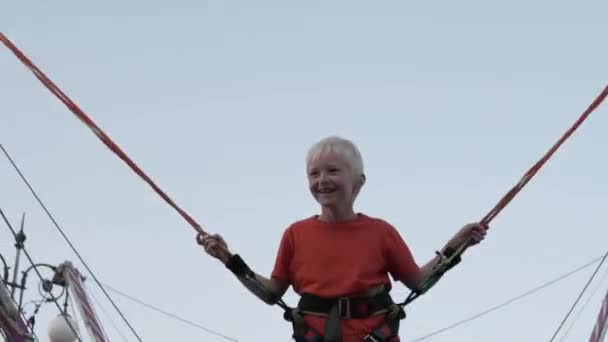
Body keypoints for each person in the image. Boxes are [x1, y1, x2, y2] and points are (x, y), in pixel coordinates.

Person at [198, 136, 488, 342]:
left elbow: (418, 281)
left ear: (358, 181)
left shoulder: (381, 232)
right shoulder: (295, 235)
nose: (322, 180)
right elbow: (271, 293)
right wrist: (227, 258)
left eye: (333, 171)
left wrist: (459, 242)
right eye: (314, 173)